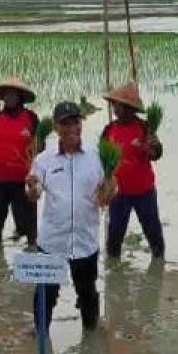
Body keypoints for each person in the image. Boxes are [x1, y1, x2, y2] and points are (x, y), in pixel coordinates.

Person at [25, 101, 112, 332]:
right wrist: (32, 188)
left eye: (75, 121)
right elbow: (34, 195)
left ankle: (90, 339)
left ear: (81, 124)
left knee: (87, 293)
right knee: (45, 293)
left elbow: (109, 192)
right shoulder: (44, 159)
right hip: (53, 241)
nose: (71, 127)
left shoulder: (96, 156)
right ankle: (41, 334)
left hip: (85, 240)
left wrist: (110, 190)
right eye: (65, 123)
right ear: (56, 127)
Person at [100, 82, 165, 259]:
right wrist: (104, 185)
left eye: (117, 104)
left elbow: (156, 154)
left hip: (144, 191)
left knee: (153, 231)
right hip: (118, 193)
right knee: (115, 233)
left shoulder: (145, 127)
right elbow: (102, 160)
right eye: (113, 104)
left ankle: (158, 263)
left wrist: (153, 148)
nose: (114, 108)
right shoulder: (109, 130)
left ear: (128, 108)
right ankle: (113, 272)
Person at [0, 77, 39, 245]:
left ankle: (31, 254)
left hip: (23, 179)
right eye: (6, 95)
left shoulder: (31, 118)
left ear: (20, 97)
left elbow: (40, 147)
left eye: (12, 94)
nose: (9, 98)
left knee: (28, 224)